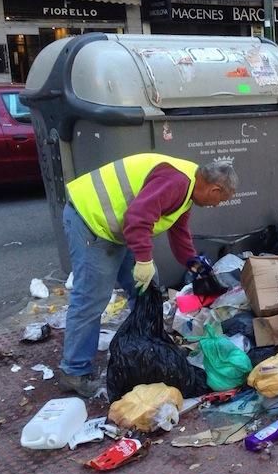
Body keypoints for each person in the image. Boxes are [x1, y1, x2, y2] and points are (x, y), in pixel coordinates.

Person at [59, 154, 238, 397]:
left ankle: (144, 346)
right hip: (91, 220)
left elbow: (179, 232)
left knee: (144, 290)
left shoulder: (188, 189)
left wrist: (192, 262)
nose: (216, 205)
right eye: (220, 200)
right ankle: (75, 372)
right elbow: (137, 218)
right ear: (215, 189)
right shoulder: (176, 182)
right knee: (91, 299)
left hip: (116, 228)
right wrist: (143, 260)